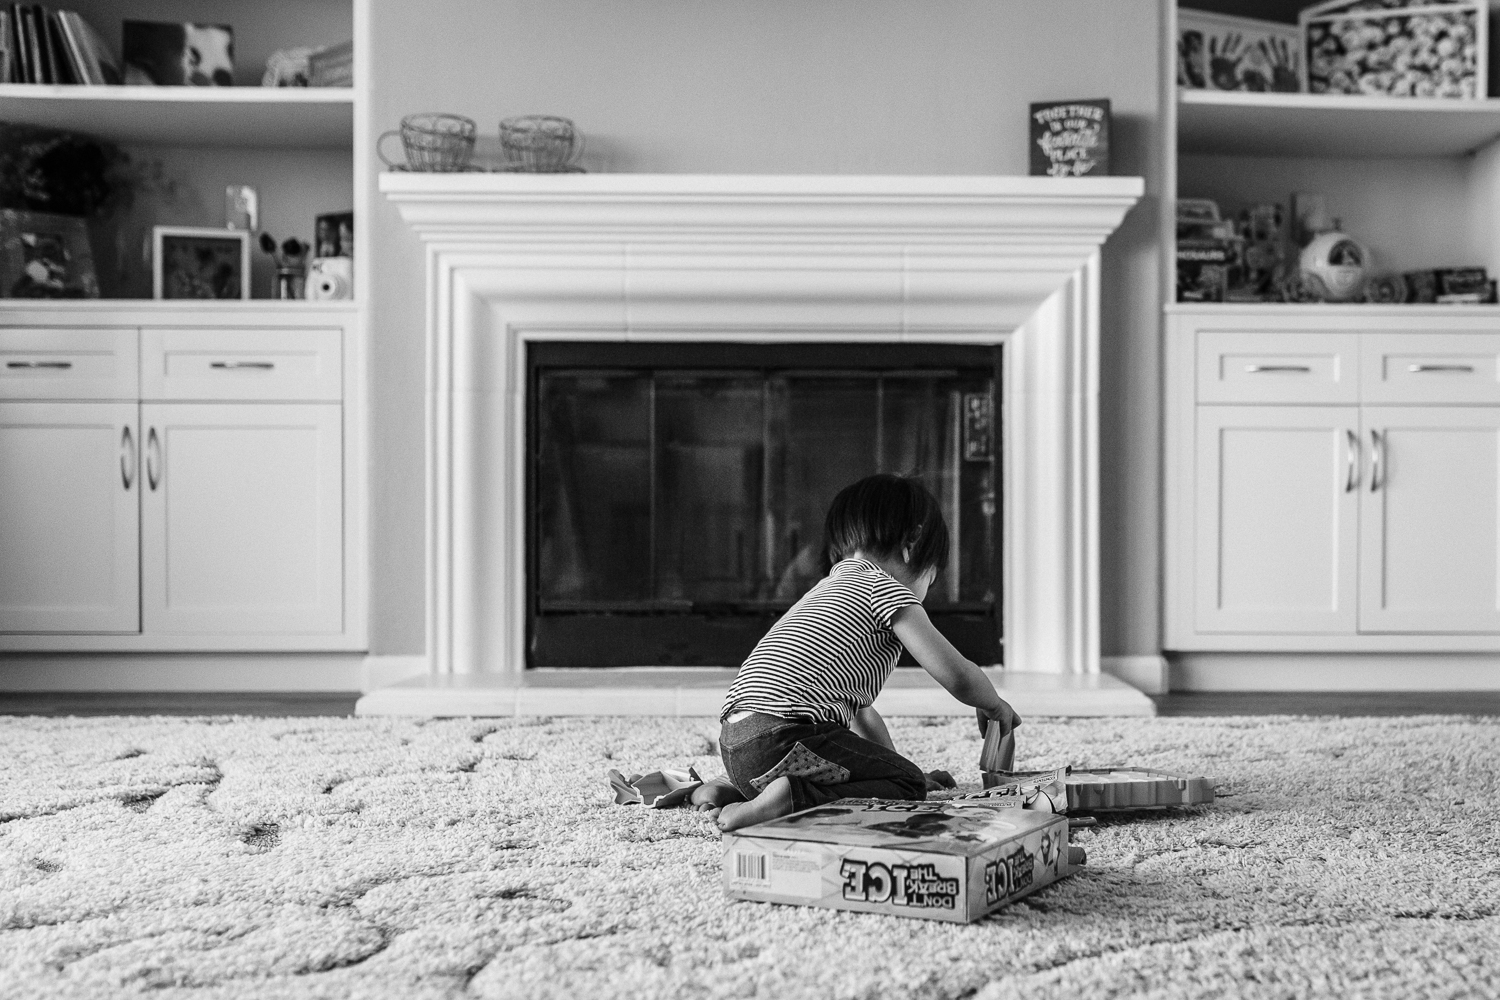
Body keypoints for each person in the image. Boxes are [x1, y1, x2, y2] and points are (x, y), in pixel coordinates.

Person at [693, 473, 1021, 831]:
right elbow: (955, 673)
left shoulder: (826, 590)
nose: (928, 587)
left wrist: (888, 767)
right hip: (786, 737)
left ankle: (731, 790)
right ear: (912, 541)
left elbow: (861, 714)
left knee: (898, 774)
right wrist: (992, 703)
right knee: (908, 785)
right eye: (933, 575)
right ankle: (790, 797)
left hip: (737, 744)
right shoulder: (888, 590)